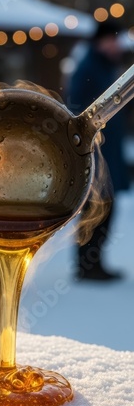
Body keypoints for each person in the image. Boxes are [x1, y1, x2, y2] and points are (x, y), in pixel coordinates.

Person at [66, 20, 131, 281]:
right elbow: (78, 110)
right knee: (97, 209)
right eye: (112, 40)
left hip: (109, 151)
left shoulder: (105, 67)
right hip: (95, 153)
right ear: (100, 42)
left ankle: (93, 262)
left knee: (105, 209)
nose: (116, 45)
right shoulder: (89, 68)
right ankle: (87, 264)